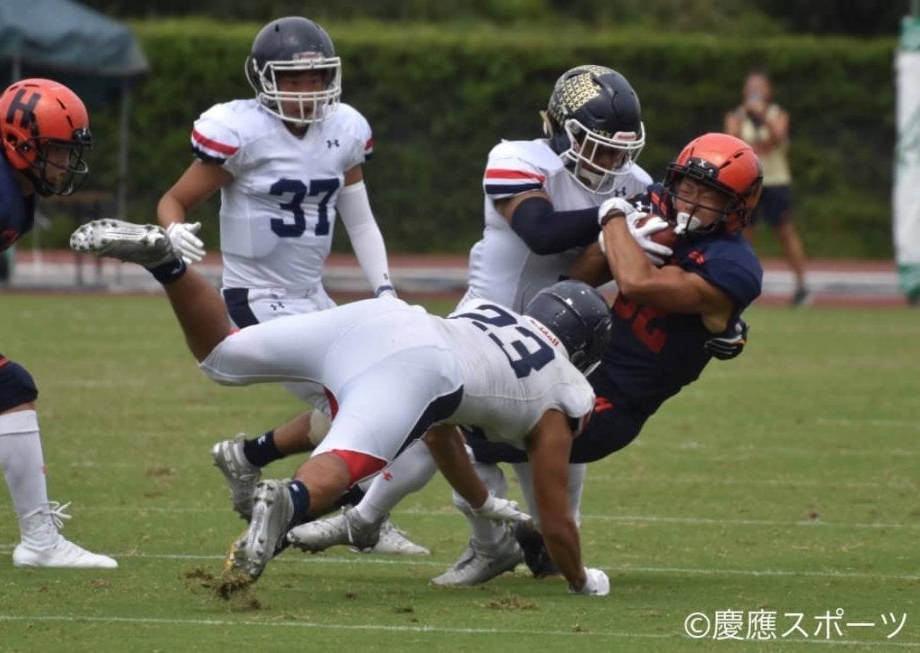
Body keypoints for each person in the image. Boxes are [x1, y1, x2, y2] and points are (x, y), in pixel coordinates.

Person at [288, 131, 760, 588]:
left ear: (737, 206)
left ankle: (401, 526)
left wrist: (615, 217)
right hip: (568, 362)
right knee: (447, 417)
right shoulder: (645, 198)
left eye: (710, 195)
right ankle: (517, 541)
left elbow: (638, 284)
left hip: (614, 402)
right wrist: (608, 243)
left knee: (455, 432)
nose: (690, 201)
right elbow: (577, 279)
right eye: (686, 186)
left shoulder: (732, 265)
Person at [70, 216, 616, 596]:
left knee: (221, 355)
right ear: (586, 351)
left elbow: (439, 430)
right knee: (346, 460)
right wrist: (581, 579)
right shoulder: (563, 389)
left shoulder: (499, 317)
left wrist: (480, 500)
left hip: (385, 319)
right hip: (421, 366)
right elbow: (554, 520)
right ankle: (289, 500)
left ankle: (168, 264)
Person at [286, 64, 654, 580]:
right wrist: (613, 213)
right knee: (438, 434)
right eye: (601, 147)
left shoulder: (635, 184)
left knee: (555, 476)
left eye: (622, 151)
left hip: (560, 340)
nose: (614, 163)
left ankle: (519, 543)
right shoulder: (518, 160)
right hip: (486, 326)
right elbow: (541, 231)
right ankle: (390, 524)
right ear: (562, 130)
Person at [153, 16, 424, 554]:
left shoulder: (344, 130)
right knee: (365, 402)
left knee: (355, 400)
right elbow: (173, 200)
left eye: (315, 78)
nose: (305, 91)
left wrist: (385, 290)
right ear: (263, 79)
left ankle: (248, 457)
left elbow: (360, 220)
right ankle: (361, 518)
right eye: (292, 79)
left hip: (312, 298)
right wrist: (172, 231)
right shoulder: (242, 131)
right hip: (255, 298)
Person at [0, 78, 117, 569]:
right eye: (56, 150)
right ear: (20, 143)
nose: (64, 162)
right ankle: (40, 543)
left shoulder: (8, 189)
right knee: (10, 387)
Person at [724, 70, 809, 306]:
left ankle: (802, 286)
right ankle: (740, 284)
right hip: (746, 183)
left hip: (775, 181)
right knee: (744, 234)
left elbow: (778, 138)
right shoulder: (736, 115)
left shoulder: (778, 114)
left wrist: (762, 116)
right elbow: (732, 142)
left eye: (760, 86)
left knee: (785, 233)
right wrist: (745, 116)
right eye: (751, 86)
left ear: (769, 91)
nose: (755, 90)